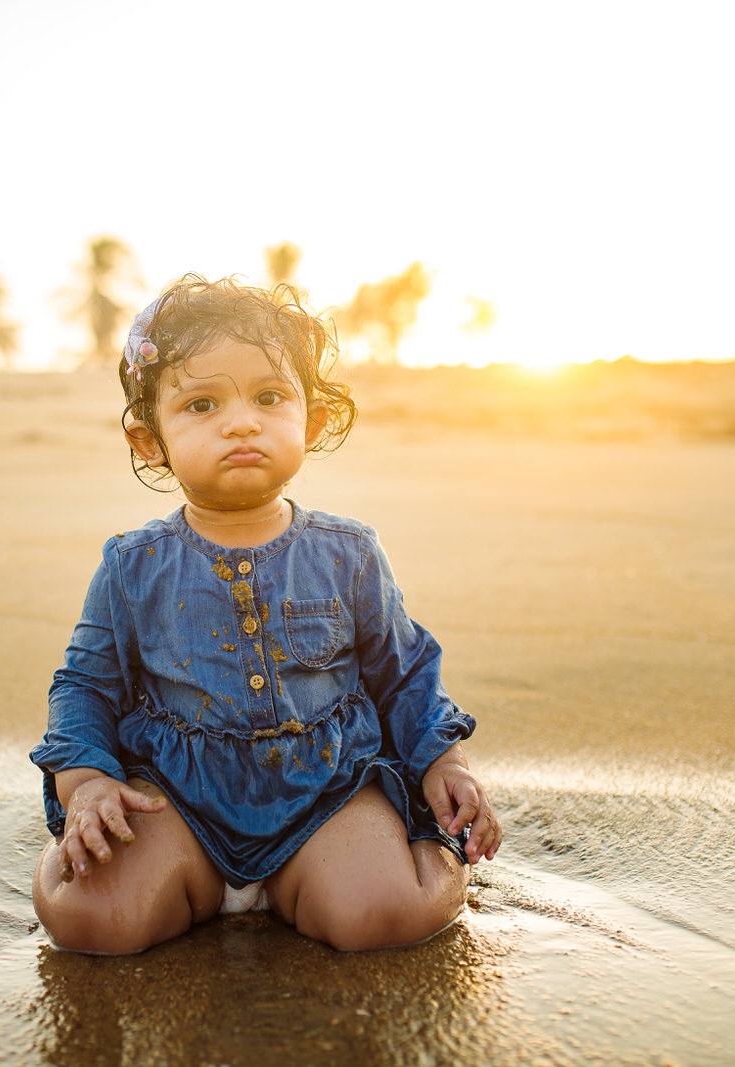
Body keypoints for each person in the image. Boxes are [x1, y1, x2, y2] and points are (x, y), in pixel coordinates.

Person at [30, 275, 500, 954]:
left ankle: (423, 852)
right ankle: (131, 863)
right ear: (148, 440)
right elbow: (84, 686)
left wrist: (444, 765)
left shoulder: (349, 552)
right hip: (176, 804)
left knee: (383, 915)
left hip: (329, 795)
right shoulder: (132, 565)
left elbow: (405, 674)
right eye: (201, 403)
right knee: (93, 918)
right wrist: (87, 784)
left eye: (269, 396)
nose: (242, 420)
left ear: (309, 420)